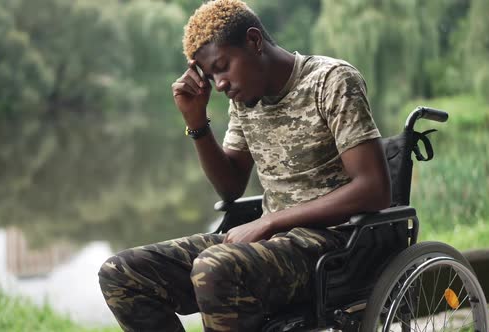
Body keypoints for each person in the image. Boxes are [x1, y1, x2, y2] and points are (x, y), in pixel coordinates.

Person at [98, 0, 391, 331]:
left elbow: (374, 189)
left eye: (222, 66)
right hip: (271, 244)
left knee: (213, 268)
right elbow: (231, 187)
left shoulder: (331, 81)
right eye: (211, 75)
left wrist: (269, 223)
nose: (219, 84)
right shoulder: (244, 101)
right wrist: (197, 123)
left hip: (335, 247)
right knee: (121, 273)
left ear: (254, 42)